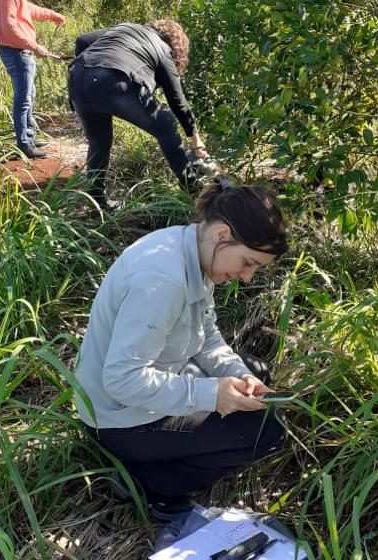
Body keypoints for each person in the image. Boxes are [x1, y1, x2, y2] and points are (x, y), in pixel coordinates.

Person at [74, 178, 289, 519]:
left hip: (157, 375)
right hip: (116, 416)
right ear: (222, 235)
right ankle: (150, 483)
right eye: (248, 263)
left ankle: (166, 453)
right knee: (268, 432)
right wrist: (210, 394)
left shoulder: (191, 249)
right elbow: (121, 379)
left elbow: (207, 337)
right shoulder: (163, 280)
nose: (247, 277)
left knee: (255, 374)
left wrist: (237, 375)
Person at [68, 19, 208, 205]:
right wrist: (194, 137)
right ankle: (195, 193)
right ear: (175, 45)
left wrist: (89, 70)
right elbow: (177, 100)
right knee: (167, 125)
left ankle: (96, 204)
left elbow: (83, 41)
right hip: (114, 81)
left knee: (99, 143)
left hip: (77, 78)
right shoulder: (163, 49)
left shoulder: (125, 28)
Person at [0, 0, 65, 159]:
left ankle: (28, 136)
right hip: (17, 53)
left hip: (19, 51)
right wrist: (34, 46)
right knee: (23, 99)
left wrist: (52, 15)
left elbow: (28, 8)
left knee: (29, 96)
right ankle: (24, 143)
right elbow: (9, 26)